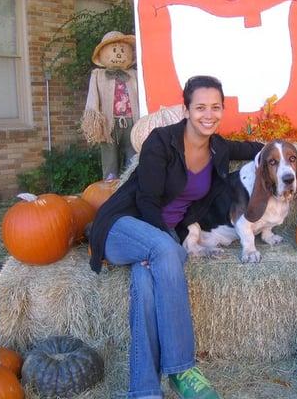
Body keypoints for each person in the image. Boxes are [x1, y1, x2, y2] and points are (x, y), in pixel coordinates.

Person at [88, 75, 264, 399]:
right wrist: (161, 241)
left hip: (164, 238)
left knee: (145, 285)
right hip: (124, 226)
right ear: (186, 109)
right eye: (200, 107)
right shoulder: (161, 141)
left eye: (215, 107)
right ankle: (182, 368)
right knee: (166, 252)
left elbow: (256, 149)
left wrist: (285, 152)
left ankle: (144, 391)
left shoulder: (219, 148)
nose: (208, 114)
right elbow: (145, 201)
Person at [82, 31, 139, 180]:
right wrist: (94, 120)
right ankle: (109, 185)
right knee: (109, 155)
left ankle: (131, 182)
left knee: (134, 154)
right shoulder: (98, 75)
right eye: (114, 50)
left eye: (122, 50)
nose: (119, 54)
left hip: (133, 122)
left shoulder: (134, 75)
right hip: (109, 123)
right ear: (102, 54)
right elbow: (92, 97)